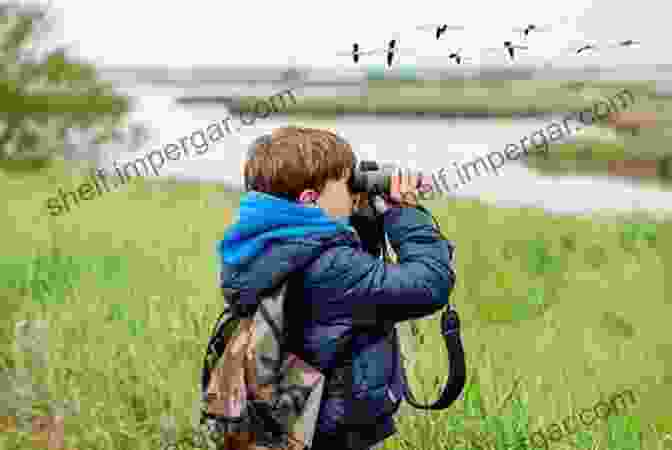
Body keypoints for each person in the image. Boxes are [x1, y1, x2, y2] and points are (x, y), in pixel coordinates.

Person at [217, 126, 457, 450]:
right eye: (346, 185)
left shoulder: (263, 246)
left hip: (297, 420)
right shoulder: (332, 266)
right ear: (310, 200)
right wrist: (404, 213)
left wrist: (360, 215)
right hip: (338, 429)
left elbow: (332, 247)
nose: (354, 193)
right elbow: (431, 283)